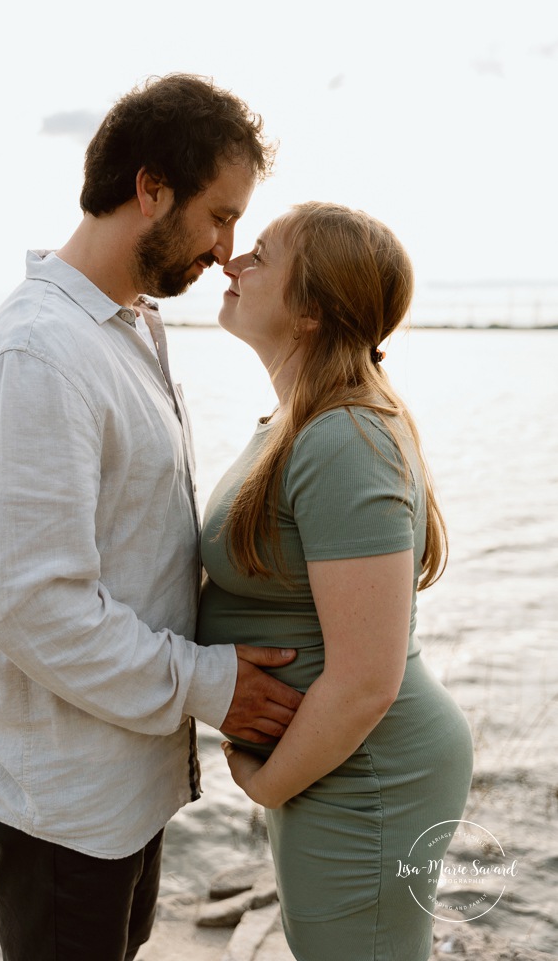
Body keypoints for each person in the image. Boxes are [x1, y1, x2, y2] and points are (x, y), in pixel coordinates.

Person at [0, 74, 303, 961]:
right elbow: (32, 607)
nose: (226, 249)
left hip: (120, 778)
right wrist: (214, 684)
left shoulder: (121, 329)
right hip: (64, 798)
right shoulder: (38, 355)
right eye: (219, 215)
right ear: (150, 189)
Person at [197, 202, 474, 961]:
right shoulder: (294, 422)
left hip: (368, 770)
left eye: (258, 254)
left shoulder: (345, 437)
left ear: (312, 309)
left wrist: (267, 784)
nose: (231, 264)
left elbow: (364, 680)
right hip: (333, 760)